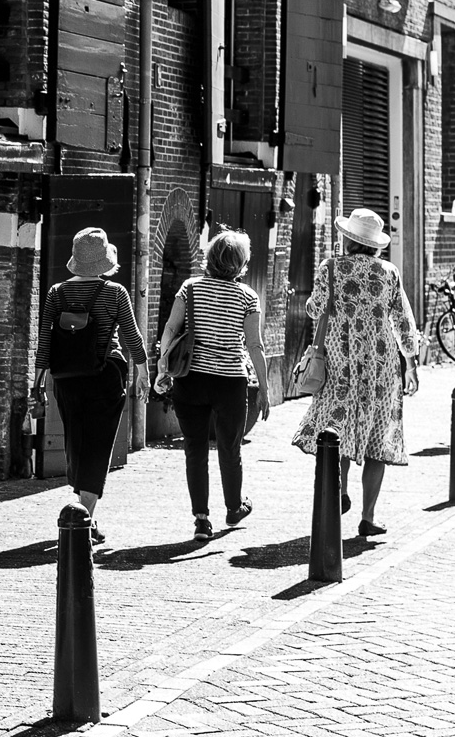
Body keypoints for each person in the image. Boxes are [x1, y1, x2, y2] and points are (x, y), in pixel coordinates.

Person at [290, 209, 421, 536]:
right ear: (375, 244)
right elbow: (403, 321)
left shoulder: (329, 268)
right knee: (379, 437)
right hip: (380, 364)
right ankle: (368, 517)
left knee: (337, 427)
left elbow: (315, 308)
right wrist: (412, 362)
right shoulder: (388, 272)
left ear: (348, 239)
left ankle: (341, 491)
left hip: (340, 360)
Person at [34, 228, 149, 544]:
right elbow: (132, 338)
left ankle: (85, 514)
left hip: (66, 379)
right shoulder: (115, 293)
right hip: (105, 376)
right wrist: (144, 373)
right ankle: (82, 516)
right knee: (99, 447)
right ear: (105, 262)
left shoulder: (57, 293)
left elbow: (45, 342)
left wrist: (38, 383)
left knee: (76, 441)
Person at [155, 229, 272, 542]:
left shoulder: (190, 288)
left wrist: (162, 366)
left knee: (194, 449)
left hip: (191, 380)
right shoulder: (248, 296)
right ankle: (234, 508)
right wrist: (263, 387)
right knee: (229, 448)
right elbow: (255, 345)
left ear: (209, 257)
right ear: (240, 263)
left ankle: (201, 520)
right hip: (230, 383)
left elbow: (170, 328)